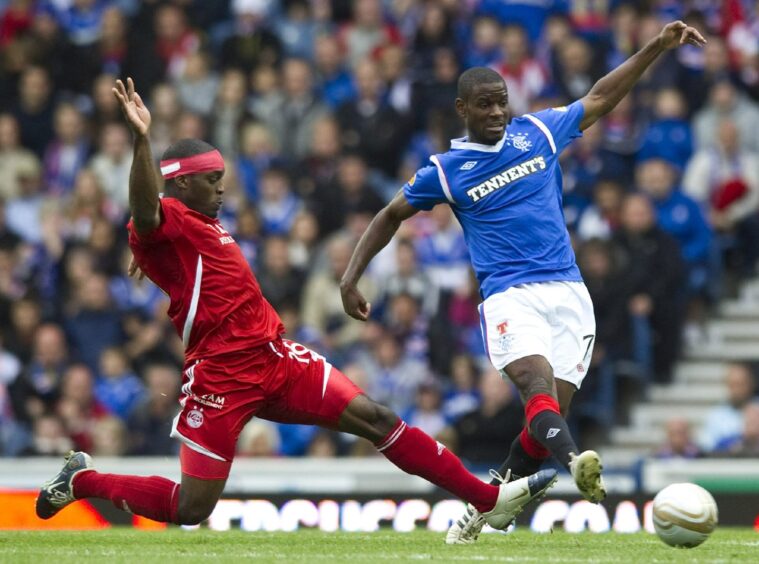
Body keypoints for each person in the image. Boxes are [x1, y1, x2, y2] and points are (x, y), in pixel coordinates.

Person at [35, 78, 556, 532]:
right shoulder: (163, 218)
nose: (222, 189)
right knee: (191, 507)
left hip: (275, 358)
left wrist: (146, 254)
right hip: (221, 379)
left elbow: (159, 241)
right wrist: (143, 138)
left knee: (375, 416)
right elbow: (144, 213)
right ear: (183, 182)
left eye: (222, 179)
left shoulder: (199, 224)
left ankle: (488, 501)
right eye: (212, 182)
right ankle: (83, 479)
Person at [339, 21, 706, 545]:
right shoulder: (446, 170)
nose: (495, 112)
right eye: (484, 105)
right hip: (510, 294)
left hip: (570, 293)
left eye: (501, 102)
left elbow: (601, 97)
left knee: (547, 413)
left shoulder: (537, 131)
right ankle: (577, 460)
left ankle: (485, 507)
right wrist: (351, 278)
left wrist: (657, 46)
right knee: (536, 390)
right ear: (462, 109)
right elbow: (389, 215)